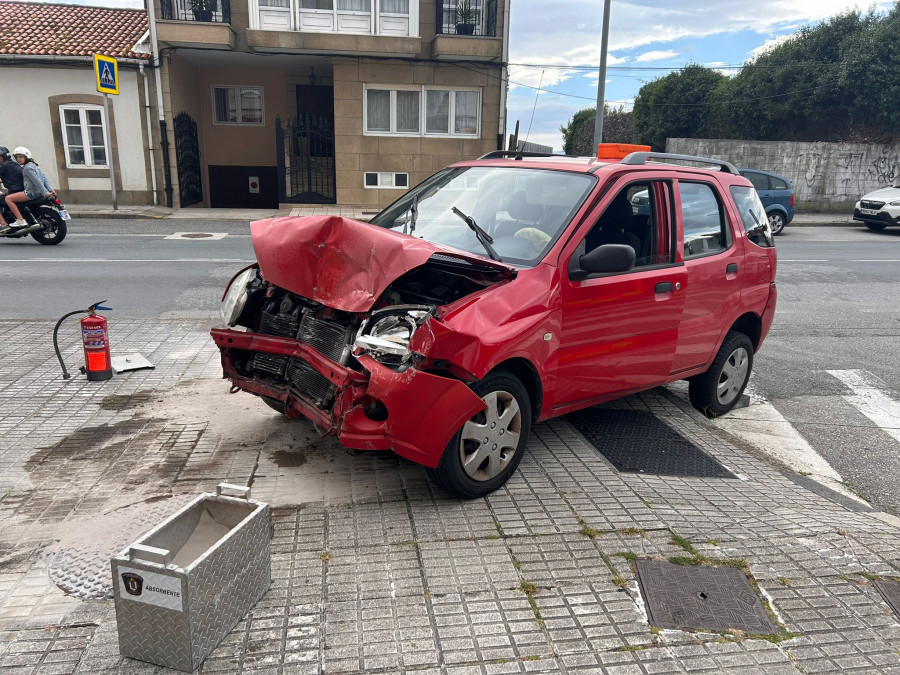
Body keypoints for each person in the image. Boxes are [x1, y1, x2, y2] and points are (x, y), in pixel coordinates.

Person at [2, 146, 55, 232]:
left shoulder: (26, 168)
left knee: (8, 198)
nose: (19, 159)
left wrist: (45, 193)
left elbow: (37, 181)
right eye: (17, 157)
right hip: (37, 193)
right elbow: (44, 178)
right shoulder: (34, 166)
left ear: (27, 157)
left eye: (21, 157)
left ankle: (20, 220)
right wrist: (51, 190)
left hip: (31, 193)